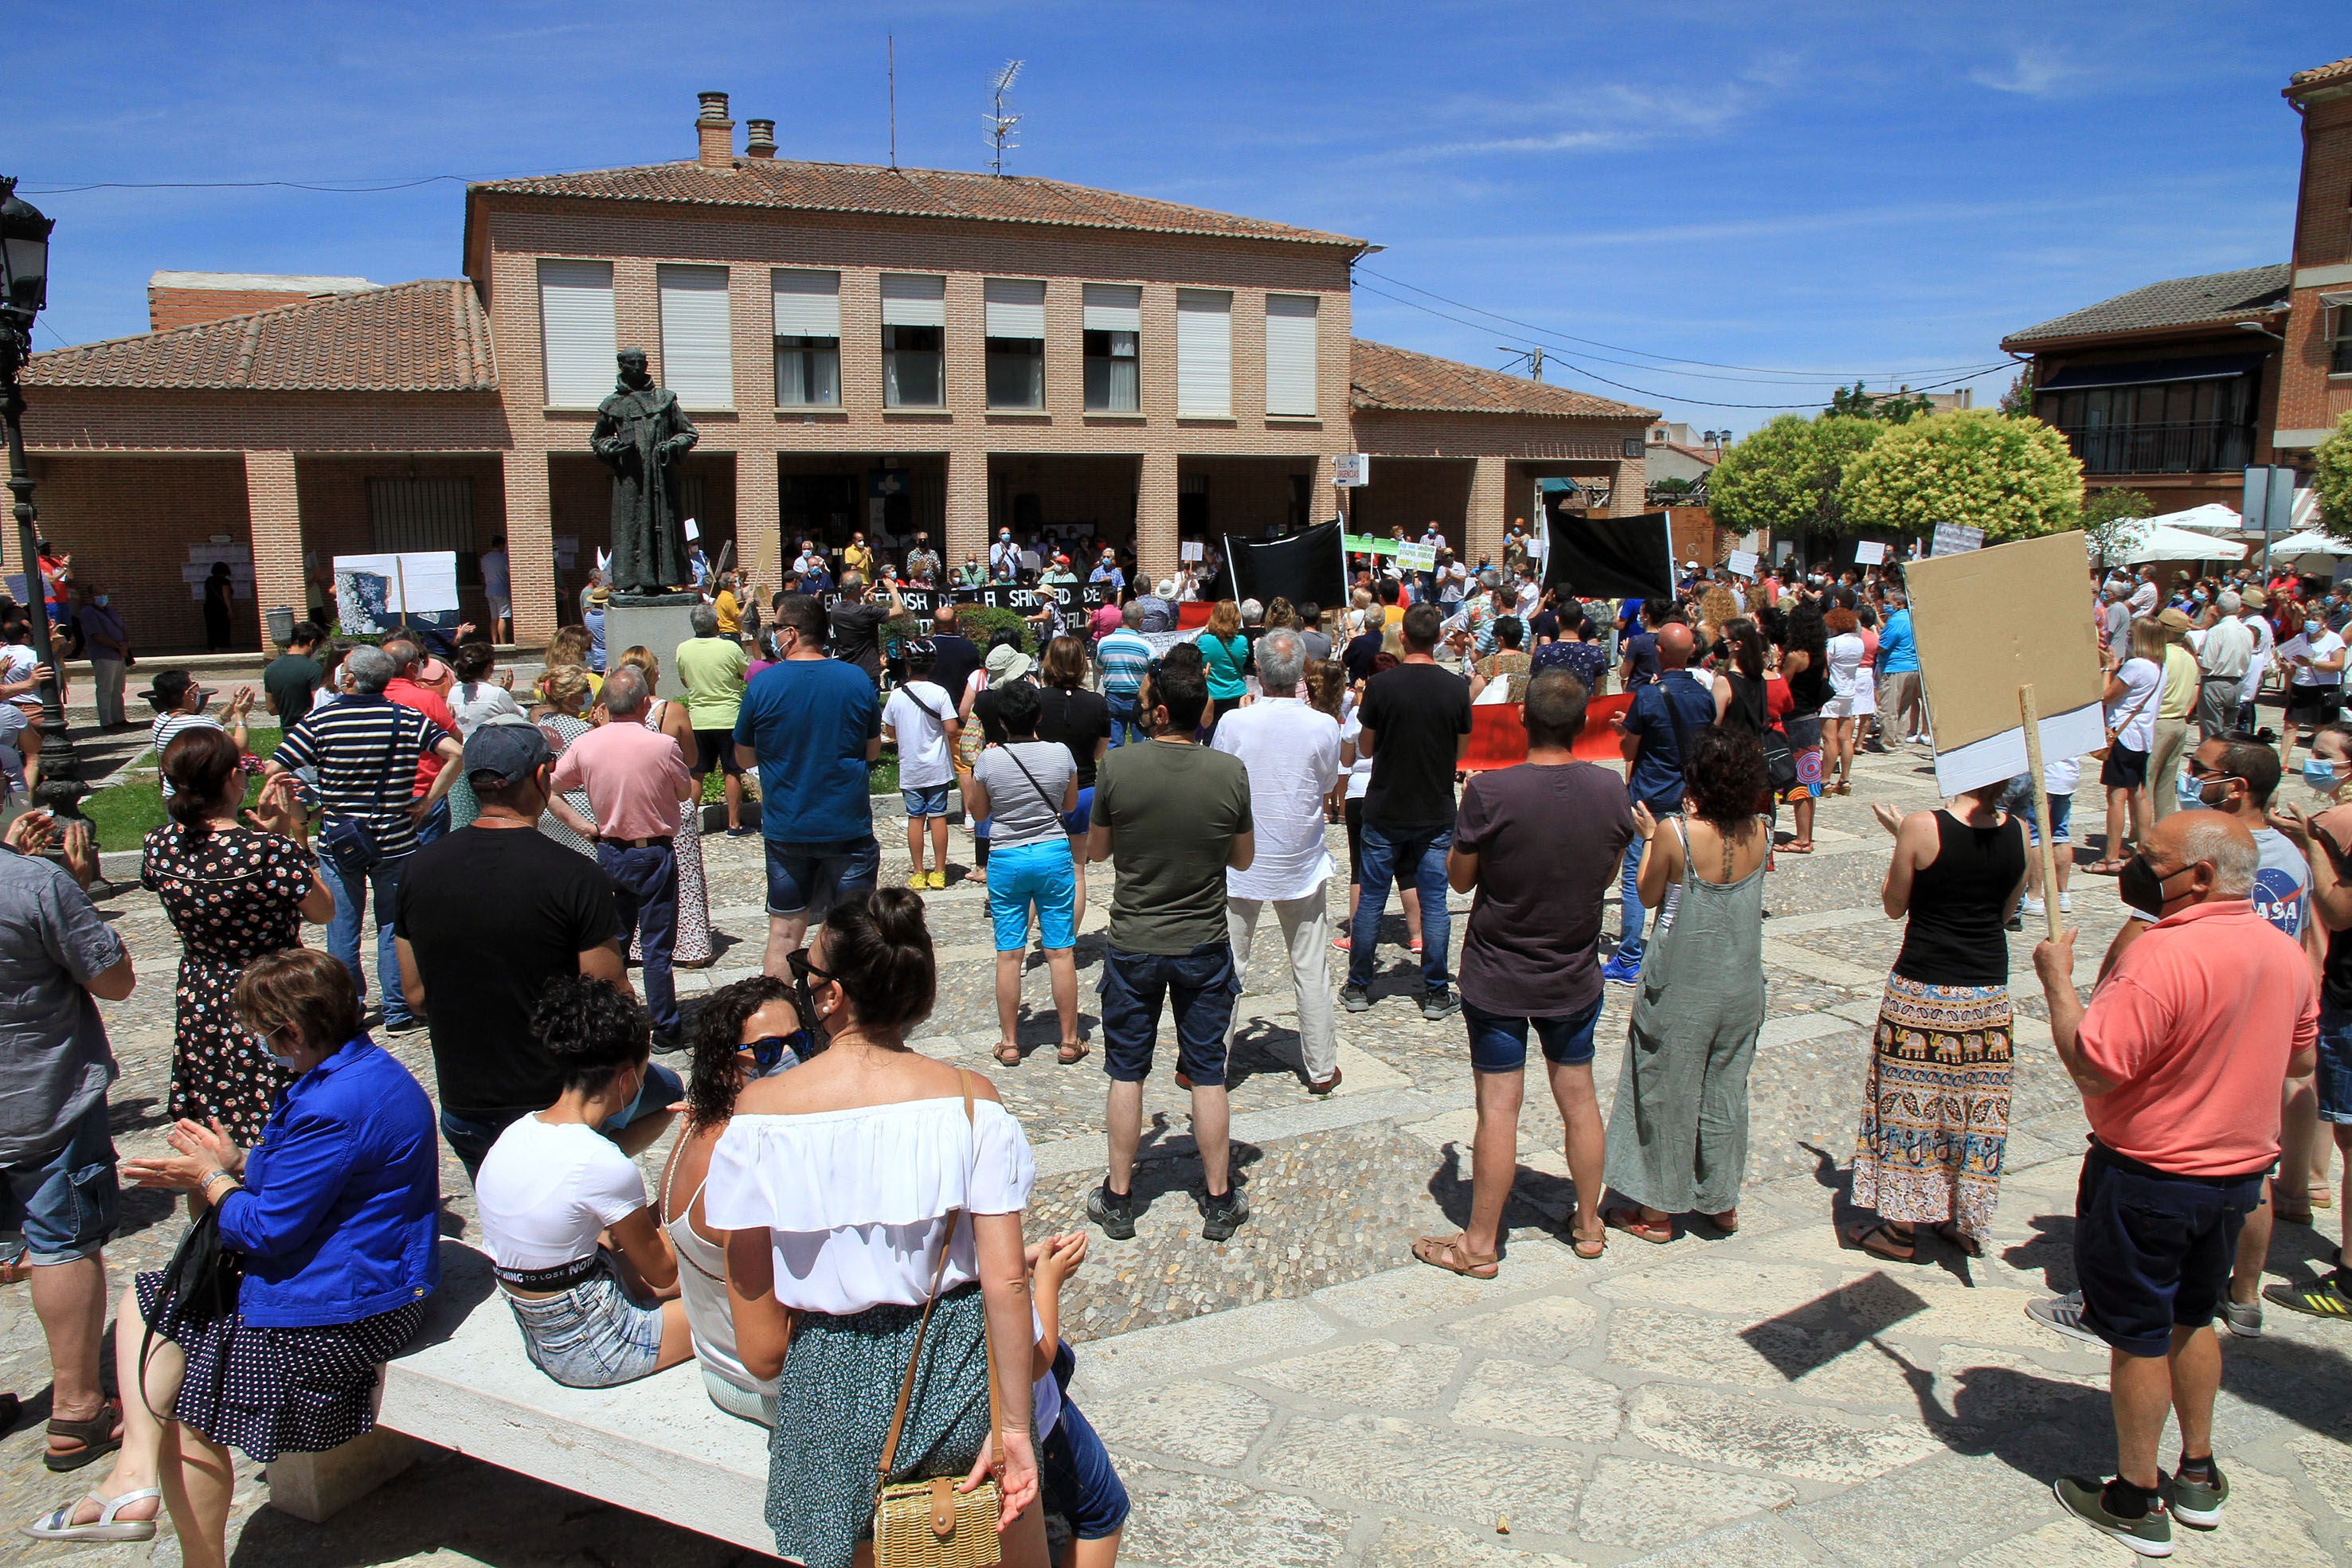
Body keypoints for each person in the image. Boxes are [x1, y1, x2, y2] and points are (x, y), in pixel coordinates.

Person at [33, 948, 432, 1562]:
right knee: (152, 1301)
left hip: (348, 1312)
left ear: (292, 1031)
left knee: (188, 1401)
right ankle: (132, 1479)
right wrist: (236, 1161)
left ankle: (185, 1542)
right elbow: (314, 1174)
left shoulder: (329, 1104)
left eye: (260, 1032)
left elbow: (267, 1230)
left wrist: (211, 1183)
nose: (257, 1044)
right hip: (356, 1279)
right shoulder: (357, 1073)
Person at [706, 890, 1047, 1568]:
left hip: (829, 1374)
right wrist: (1013, 1425)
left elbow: (761, 1346)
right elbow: (1006, 1279)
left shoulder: (761, 1114)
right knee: (967, 1540)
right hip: (952, 1361)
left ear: (829, 996)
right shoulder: (970, 1099)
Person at [2025, 813, 2315, 1555]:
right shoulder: (2284, 954)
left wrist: (2057, 983)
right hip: (2234, 1177)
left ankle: (2133, 1495)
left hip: (2149, 1175)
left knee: (2137, 1336)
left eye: (2150, 859)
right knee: (2193, 1315)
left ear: (2202, 876)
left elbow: (2094, 1063)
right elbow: (2299, 1057)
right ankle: (2196, 1468)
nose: (2134, 866)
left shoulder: (2161, 955)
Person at [1411, 671, 1632, 1277]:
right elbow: (1609, 875)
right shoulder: (1610, 791)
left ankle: (1481, 1243)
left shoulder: (1490, 792)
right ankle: (1588, 1224)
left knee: (1499, 1108)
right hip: (1571, 969)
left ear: (1521, 720)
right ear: (1583, 722)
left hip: (1499, 971)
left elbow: (1459, 879)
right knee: (1579, 1099)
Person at [394, 720, 677, 1177]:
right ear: (543, 778)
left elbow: (415, 995)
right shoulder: (573, 876)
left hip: (468, 1101)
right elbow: (608, 990)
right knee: (670, 1093)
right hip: (557, 1097)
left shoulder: (417, 870)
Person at [1087, 651, 1255, 1241]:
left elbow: (1099, 851)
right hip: (1203, 938)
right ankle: (1217, 1197)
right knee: (1208, 1071)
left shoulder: (1118, 768)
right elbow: (1242, 859)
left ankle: (1119, 1197)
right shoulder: (1229, 771)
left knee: (1126, 1071)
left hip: (1135, 937)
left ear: (1158, 711)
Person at [475, 976, 692, 1388]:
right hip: (595, 1344)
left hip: (543, 1322)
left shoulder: (516, 1133)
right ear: (627, 1079)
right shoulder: (602, 1163)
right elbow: (664, 1272)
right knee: (737, 1306)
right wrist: (689, 1152)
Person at [0, 810, 132, 1479]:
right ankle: (77, 1405)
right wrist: (73, 886)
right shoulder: (34, 885)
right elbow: (114, 980)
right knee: (61, 1242)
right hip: (39, 1094)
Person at [1601, 725, 1771, 1245]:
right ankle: (1721, 1200)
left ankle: (1656, 1209)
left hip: (1684, 981)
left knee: (1665, 1092)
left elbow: (1649, 893)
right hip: (1740, 978)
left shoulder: (1676, 832)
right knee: (1724, 1092)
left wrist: (1650, 836)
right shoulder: (1760, 830)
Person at [1847, 778, 2027, 1261]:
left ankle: (1902, 1228)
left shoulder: (1921, 826)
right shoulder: (2020, 832)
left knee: (1911, 1106)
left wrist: (1902, 838)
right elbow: (2007, 910)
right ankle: (1963, 1218)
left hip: (1923, 988)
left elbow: (1894, 904)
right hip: (1987, 992)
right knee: (1973, 1108)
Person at [141, 732, 335, 1144]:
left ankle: (214, 1199)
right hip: (271, 989)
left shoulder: (159, 845)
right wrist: (284, 835)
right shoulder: (266, 851)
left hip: (203, 990)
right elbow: (323, 911)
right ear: (233, 778)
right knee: (280, 1116)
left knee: (212, 1123)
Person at [263, 645, 460, 1033]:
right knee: (392, 925)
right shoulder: (407, 718)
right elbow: (454, 752)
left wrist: (309, 799)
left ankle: (348, 1008)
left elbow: (275, 766)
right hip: (397, 836)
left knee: (342, 927)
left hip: (341, 837)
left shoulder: (320, 721)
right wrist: (426, 801)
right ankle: (399, 1009)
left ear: (348, 679)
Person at [659, 976, 797, 1425]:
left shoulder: (695, 1132)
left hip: (716, 1364)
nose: (791, 1059)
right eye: (766, 1051)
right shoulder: (746, 1168)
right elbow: (770, 1352)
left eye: (799, 1040)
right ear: (723, 1067)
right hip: (765, 1390)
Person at [1211, 629, 1343, 1094]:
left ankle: (1209, 1062)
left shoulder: (1234, 723)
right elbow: (1328, 783)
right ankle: (1322, 1066)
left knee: (1227, 965)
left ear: (1259, 673)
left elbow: (1218, 778)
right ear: (1303, 671)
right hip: (1299, 857)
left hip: (1241, 858)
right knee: (1311, 966)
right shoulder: (1324, 725)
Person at [734, 594, 882, 975]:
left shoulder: (763, 684)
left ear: (791, 633)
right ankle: (849, 1021)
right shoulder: (856, 680)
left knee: (783, 933)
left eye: (776, 628)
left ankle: (782, 1025)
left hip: (788, 826)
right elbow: (871, 750)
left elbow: (744, 757)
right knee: (854, 931)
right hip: (846, 823)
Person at [550, 664, 696, 1046]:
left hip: (610, 850)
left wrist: (579, 824)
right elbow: (683, 793)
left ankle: (606, 1018)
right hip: (653, 853)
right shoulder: (662, 745)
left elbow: (548, 786)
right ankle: (664, 1025)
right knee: (656, 946)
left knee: (612, 938)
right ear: (645, 702)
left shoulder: (585, 743)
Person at [1343, 604, 1472, 1019]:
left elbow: (1365, 747)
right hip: (1435, 809)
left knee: (1372, 902)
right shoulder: (1456, 687)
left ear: (1404, 639)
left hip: (1385, 806)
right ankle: (1435, 991)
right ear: (1437, 638)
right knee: (1435, 902)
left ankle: (1359, 986)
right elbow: (1461, 754)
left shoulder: (1382, 687)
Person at [966, 681, 1083, 1066]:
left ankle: (1011, 1042)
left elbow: (980, 814)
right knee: (1060, 951)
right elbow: (1068, 805)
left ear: (1001, 721)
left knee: (1009, 955)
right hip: (1052, 853)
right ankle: (1069, 1040)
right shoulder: (1060, 754)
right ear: (1038, 717)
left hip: (1007, 858)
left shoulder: (990, 759)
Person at [1604, 624, 1718, 984]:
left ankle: (1629, 957)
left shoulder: (1649, 697)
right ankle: (1666, 950)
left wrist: (1626, 732)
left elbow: (1630, 750)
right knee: (1678, 877)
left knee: (1638, 875)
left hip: (1649, 796)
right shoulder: (1705, 696)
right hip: (1687, 797)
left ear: (1660, 651)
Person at [612, 646, 715, 968]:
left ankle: (639, 946)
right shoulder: (670, 712)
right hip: (670, 803)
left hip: (634, 806)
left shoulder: (614, 717)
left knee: (636, 880)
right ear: (653, 674)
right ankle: (690, 945)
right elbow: (692, 759)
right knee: (684, 878)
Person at [1035, 634, 1110, 929]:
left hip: (1043, 791)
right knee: (1077, 870)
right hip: (1083, 789)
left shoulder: (1036, 700)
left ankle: (1023, 947)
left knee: (1037, 872)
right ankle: (1069, 938)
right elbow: (1100, 751)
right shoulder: (1096, 703)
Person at [882, 638, 961, 890]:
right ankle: (939, 871)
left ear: (906, 664)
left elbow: (890, 730)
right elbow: (951, 728)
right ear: (932, 664)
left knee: (915, 818)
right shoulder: (939, 693)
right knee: (938, 817)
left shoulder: (896, 695)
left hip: (911, 767)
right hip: (937, 766)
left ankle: (918, 871)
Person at [2091, 619, 2166, 875]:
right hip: (2142, 737)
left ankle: (2111, 856)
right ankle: (2145, 848)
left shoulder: (2136, 666)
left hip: (2123, 734)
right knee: (2139, 793)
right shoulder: (2160, 667)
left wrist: (2107, 669)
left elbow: (2107, 695)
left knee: (2116, 797)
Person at [675, 603, 751, 837]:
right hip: (728, 716)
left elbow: (685, 681)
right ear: (716, 623)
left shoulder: (683, 649)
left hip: (698, 718)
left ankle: (689, 825)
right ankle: (734, 824)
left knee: (697, 773)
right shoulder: (729, 648)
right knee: (732, 771)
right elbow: (745, 674)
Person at [381, 635, 463, 849]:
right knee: (429, 865)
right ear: (411, 666)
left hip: (380, 794)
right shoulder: (426, 699)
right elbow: (456, 740)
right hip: (424, 793)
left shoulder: (370, 697)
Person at [142, 671, 253, 800]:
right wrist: (240, 716)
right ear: (188, 694)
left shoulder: (161, 720)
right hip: (203, 796)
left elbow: (211, 722)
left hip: (174, 793)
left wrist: (231, 706)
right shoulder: (201, 723)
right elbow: (240, 748)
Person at [1776, 600, 1829, 854]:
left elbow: (1781, 688)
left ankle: (1802, 839)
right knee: (1808, 780)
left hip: (1794, 721)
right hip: (1810, 718)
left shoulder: (1795, 656)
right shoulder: (1820, 654)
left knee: (1798, 780)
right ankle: (1806, 835)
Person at [2147, 608, 2201, 822]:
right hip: (2179, 722)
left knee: (2148, 780)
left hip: (2159, 722)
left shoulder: (2162, 657)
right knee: (2167, 782)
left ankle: (2145, 829)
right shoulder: (2189, 658)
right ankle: (2165, 823)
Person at [2277, 602, 2346, 763]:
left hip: (2323, 687)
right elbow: (2293, 664)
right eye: (2308, 618)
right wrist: (2286, 666)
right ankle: (2283, 762)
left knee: (2321, 726)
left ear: (2324, 622)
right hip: (2301, 685)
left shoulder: (2334, 640)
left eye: (2315, 619)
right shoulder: (2300, 638)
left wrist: (2312, 663)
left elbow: (2338, 665)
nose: (2310, 622)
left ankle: (2319, 759)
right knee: (2290, 724)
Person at [1821, 604, 1869, 796]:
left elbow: (1826, 666)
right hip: (1850, 691)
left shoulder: (1833, 643)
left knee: (1829, 739)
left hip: (1833, 691)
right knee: (1846, 738)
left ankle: (1825, 780)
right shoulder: (1859, 643)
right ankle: (1845, 779)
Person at [2196, 590, 2255, 740]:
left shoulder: (2216, 632)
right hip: (2236, 683)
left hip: (2215, 681)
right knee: (2229, 727)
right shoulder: (2247, 631)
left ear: (2217, 609)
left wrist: (2195, 655)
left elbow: (2207, 664)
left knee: (2211, 728)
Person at [828, 571, 904, 684]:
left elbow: (855, 614)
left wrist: (863, 599)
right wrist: (893, 589)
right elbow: (898, 611)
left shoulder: (835, 609)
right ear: (860, 587)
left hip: (846, 669)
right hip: (867, 671)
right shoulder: (866, 612)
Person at [1095, 602, 1153, 748]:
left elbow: (1100, 668)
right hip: (1138, 698)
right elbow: (1153, 673)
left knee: (1113, 742)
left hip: (1112, 697)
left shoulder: (1104, 643)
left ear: (1122, 618)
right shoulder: (1146, 647)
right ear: (1141, 621)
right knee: (1139, 743)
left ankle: (1114, 769)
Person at [74, 585, 130, 731]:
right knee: (106, 688)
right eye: (99, 594)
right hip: (104, 655)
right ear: (92, 596)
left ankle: (119, 718)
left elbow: (121, 629)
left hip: (119, 654)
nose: (103, 596)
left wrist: (124, 644)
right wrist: (117, 645)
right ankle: (106, 721)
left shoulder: (109, 611)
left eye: (104, 593)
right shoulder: (88, 612)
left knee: (118, 688)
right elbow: (97, 635)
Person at [1196, 600, 1251, 732]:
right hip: (1237, 694)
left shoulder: (1205, 640)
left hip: (1212, 696)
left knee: (1211, 736)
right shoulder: (1242, 641)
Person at [1877, 588, 1923, 743]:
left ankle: (1888, 742)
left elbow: (1883, 645)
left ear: (1899, 604)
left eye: (1888, 602)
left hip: (1894, 668)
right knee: (1905, 706)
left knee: (1889, 708)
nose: (1885, 605)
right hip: (1912, 667)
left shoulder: (1895, 621)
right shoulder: (1911, 618)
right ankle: (1899, 738)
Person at [261, 620, 325, 724]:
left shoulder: (271, 668)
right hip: (310, 729)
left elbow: (271, 708)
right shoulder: (313, 668)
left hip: (288, 732)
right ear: (312, 643)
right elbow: (319, 704)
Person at [927, 602, 984, 706]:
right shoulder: (970, 647)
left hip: (931, 706)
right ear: (956, 622)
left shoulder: (927, 648)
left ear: (934, 624)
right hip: (960, 706)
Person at [479, 534, 511, 642]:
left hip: (489, 590)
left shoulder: (485, 559)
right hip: (501, 590)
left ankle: (494, 642)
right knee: (502, 617)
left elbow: (484, 574)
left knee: (494, 618)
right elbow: (509, 572)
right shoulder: (503, 558)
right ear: (501, 545)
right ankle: (503, 642)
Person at [201, 561, 234, 651]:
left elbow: (205, 595)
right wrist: (230, 609)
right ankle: (221, 648)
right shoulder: (224, 581)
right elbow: (226, 595)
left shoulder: (209, 580)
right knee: (222, 628)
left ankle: (211, 648)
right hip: (221, 608)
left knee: (211, 629)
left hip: (209, 607)